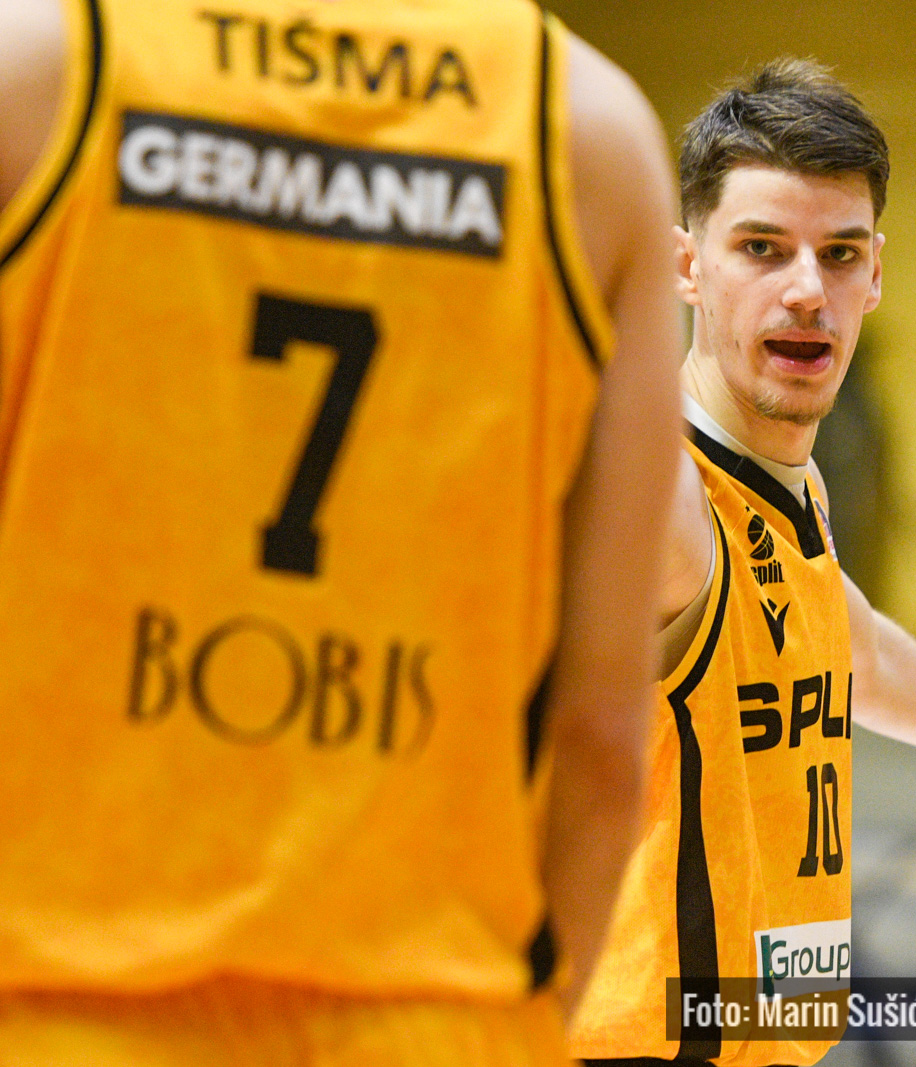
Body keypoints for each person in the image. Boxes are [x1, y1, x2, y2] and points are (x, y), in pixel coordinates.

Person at [0, 0, 680, 1062]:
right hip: (439, 1020)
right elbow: (600, 744)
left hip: (54, 1006)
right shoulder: (589, 131)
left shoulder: (37, 69)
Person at [568, 59, 916, 1067]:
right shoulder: (664, 494)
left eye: (837, 254)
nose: (807, 289)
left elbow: (854, 644)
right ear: (687, 264)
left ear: (874, 274)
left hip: (760, 1029)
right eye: (761, 247)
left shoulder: (787, 488)